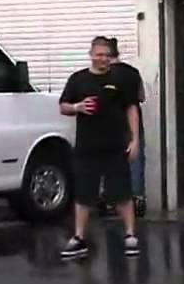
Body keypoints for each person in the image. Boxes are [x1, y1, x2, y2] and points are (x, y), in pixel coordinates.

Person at [58, 36, 140, 260]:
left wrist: (134, 140)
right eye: (99, 54)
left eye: (106, 55)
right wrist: (77, 107)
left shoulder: (120, 79)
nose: (103, 59)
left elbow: (131, 109)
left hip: (115, 146)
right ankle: (78, 238)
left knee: (122, 193)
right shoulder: (78, 80)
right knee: (84, 195)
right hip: (87, 147)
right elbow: (63, 107)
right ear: (91, 54)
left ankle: (130, 235)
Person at [107, 37, 148, 218]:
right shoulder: (133, 73)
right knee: (135, 164)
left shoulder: (102, 74)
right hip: (133, 125)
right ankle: (137, 201)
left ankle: (112, 202)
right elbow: (141, 96)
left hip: (111, 125)